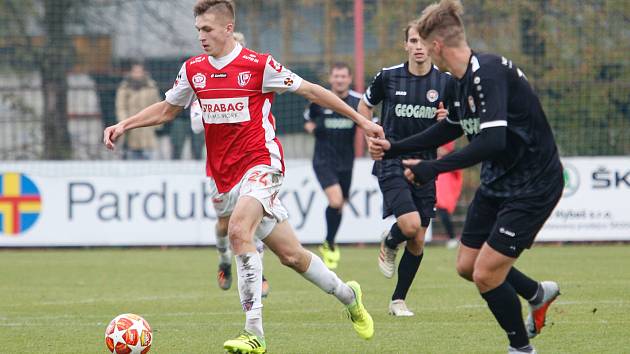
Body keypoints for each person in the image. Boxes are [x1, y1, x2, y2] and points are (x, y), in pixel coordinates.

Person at [104, 1, 380, 352]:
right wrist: (124, 124)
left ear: (228, 28)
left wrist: (364, 121)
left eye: (207, 29)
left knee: (237, 231)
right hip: (226, 178)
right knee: (292, 256)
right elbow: (167, 109)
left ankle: (255, 333)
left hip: (262, 164)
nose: (201, 36)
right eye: (198, 30)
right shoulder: (194, 70)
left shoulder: (258, 65)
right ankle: (349, 295)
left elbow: (312, 90)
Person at [368, 1, 562, 352]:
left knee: (486, 274)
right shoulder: (458, 83)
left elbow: (492, 140)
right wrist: (393, 148)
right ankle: (536, 292)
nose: (421, 52)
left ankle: (521, 348)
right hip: (497, 181)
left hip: (533, 184)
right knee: (466, 265)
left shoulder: (488, 73)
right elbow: (448, 129)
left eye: (425, 45)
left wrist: (433, 168)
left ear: (437, 46)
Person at [357, 21, 451, 316]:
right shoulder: (388, 77)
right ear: (406, 45)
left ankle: (398, 300)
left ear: (434, 46)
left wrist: (447, 120)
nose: (419, 46)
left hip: (426, 166)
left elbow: (456, 123)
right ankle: (389, 240)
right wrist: (372, 137)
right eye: (413, 40)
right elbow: (363, 107)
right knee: (409, 226)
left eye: (424, 41)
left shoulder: (446, 82)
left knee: (419, 239)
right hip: (392, 162)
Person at [190, 31, 270, 297]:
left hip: (251, 162)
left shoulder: (256, 78)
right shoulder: (204, 81)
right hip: (220, 168)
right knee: (225, 224)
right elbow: (194, 125)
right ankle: (224, 259)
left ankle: (259, 274)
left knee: (252, 219)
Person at [303, 62, 362, 269]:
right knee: (336, 201)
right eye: (336, 76)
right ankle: (329, 244)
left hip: (347, 161)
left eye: (343, 76)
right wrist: (313, 129)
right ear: (331, 79)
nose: (339, 80)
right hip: (323, 159)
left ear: (349, 78)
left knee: (340, 204)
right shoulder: (320, 100)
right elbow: (308, 120)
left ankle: (329, 243)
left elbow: (369, 122)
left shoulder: (357, 101)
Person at [115, 62, 161, 159]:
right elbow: (121, 107)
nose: (137, 74)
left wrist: (157, 123)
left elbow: (157, 103)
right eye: (135, 71)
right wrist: (124, 123)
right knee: (132, 156)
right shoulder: (125, 87)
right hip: (131, 128)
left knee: (149, 158)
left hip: (148, 127)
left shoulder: (151, 86)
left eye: (139, 71)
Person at [435, 141, 463, 249]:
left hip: (445, 194)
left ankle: (452, 238)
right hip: (437, 193)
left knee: (444, 214)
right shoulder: (437, 159)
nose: (439, 150)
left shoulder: (451, 161)